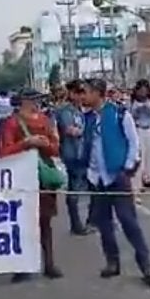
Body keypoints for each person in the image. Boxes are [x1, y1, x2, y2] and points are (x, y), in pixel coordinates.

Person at [78, 78, 150, 286]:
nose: (83, 96)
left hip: (117, 176)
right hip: (97, 178)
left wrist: (127, 167)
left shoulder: (119, 114)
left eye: (86, 92)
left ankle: (146, 264)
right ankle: (112, 262)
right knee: (104, 224)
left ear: (98, 93)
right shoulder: (87, 118)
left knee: (129, 222)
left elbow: (133, 143)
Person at [0, 89, 64, 281]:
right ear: (23, 101)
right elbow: (4, 152)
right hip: (21, 178)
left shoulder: (44, 120)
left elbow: (55, 148)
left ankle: (49, 263)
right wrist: (26, 143)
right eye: (33, 99)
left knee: (45, 222)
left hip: (43, 176)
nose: (37, 103)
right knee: (22, 223)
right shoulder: (12, 123)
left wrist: (45, 145)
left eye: (39, 99)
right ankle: (22, 266)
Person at [56, 80, 93, 235]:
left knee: (90, 188)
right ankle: (76, 224)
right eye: (78, 93)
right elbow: (70, 130)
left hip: (82, 153)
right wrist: (87, 131)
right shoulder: (66, 110)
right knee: (74, 190)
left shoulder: (79, 110)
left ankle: (89, 221)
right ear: (71, 93)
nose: (81, 96)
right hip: (72, 153)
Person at [128, 80, 150, 204]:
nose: (143, 92)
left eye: (145, 90)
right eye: (140, 90)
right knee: (139, 161)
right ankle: (136, 191)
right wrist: (136, 111)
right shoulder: (132, 101)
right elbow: (129, 118)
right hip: (138, 130)